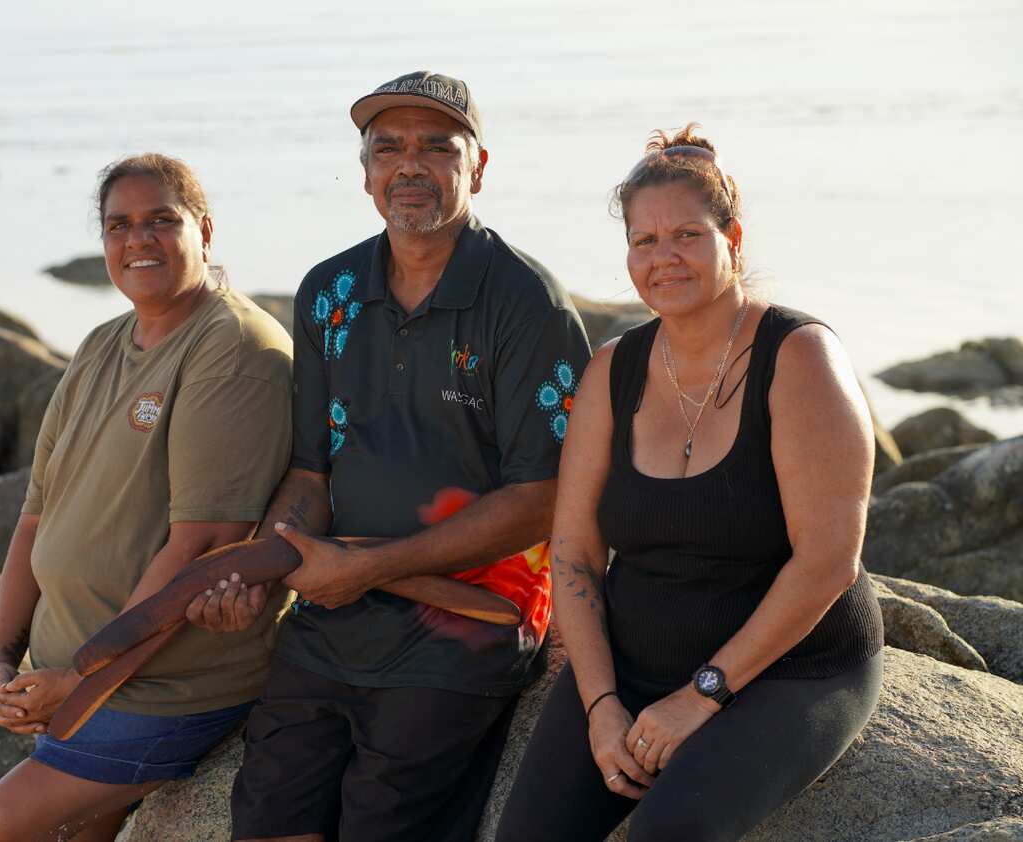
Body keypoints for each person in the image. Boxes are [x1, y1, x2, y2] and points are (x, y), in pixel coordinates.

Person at [193, 70, 591, 842]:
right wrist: (265, 569)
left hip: (467, 625)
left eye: (437, 147)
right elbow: (310, 475)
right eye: (388, 148)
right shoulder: (327, 292)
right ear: (367, 170)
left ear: (478, 166)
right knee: (269, 817)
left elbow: (542, 498)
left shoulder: (525, 301)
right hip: (333, 617)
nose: (410, 165)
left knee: (384, 822)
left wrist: (366, 568)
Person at [493, 125, 886, 841]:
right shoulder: (613, 369)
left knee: (669, 834)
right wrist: (601, 701)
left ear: (731, 238)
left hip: (788, 670)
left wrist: (700, 697)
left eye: (686, 235)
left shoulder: (799, 359)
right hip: (636, 663)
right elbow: (575, 552)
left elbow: (829, 558)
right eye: (643, 242)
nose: (662, 258)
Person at [0, 154, 294, 842]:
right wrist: (1, 657)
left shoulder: (232, 348)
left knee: (8, 820)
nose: (138, 240)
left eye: (161, 221)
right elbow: (35, 518)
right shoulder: (100, 346)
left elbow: (203, 548)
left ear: (204, 232)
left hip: (164, 687)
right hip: (84, 679)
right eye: (119, 225)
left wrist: (79, 680)